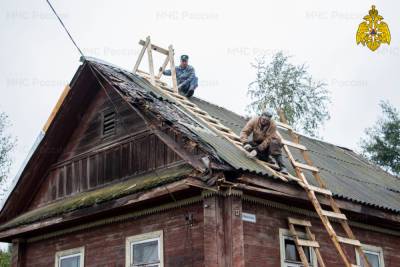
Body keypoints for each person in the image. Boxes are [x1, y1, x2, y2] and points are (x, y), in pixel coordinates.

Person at [240, 109, 288, 174]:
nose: (264, 121)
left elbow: (268, 140)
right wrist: (245, 143)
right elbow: (245, 132)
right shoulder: (254, 120)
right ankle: (267, 158)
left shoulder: (273, 125)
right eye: (263, 119)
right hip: (258, 142)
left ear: (269, 120)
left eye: (266, 120)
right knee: (248, 147)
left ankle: (283, 167)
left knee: (274, 145)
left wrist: (257, 150)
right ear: (261, 116)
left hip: (270, 144)